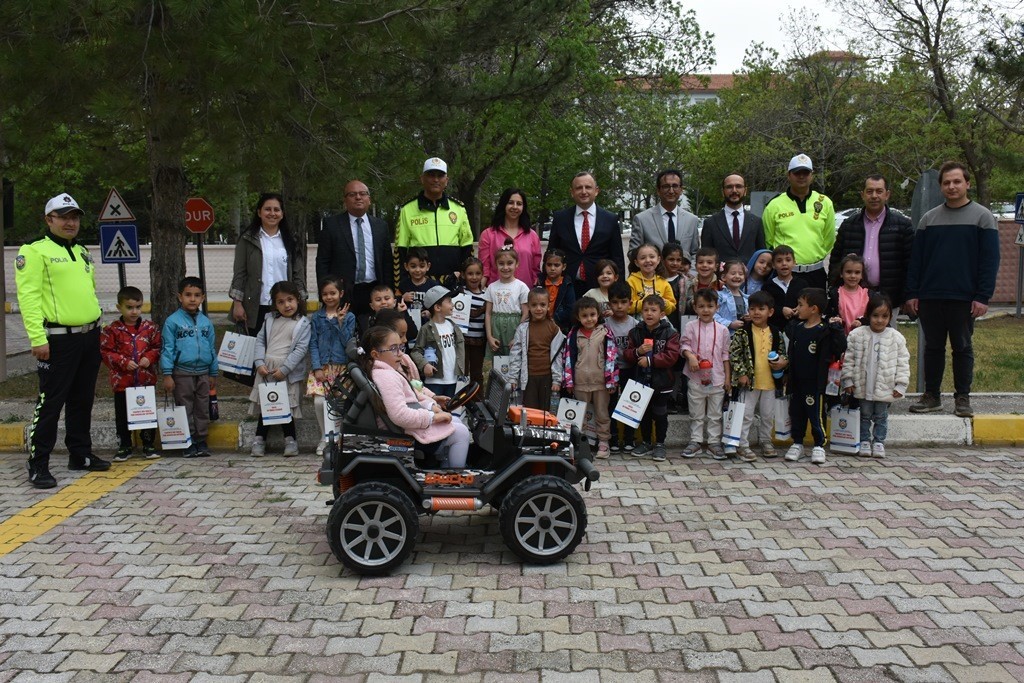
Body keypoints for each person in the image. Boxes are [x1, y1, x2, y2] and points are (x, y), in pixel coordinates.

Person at [16, 193, 109, 488]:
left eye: (75, 217)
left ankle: (79, 454)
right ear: (49, 220)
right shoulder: (34, 251)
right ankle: (38, 463)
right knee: (51, 403)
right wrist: (36, 338)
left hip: (88, 336)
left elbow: (88, 291)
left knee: (82, 400)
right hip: (57, 340)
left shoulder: (81, 251)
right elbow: (28, 297)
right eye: (64, 216)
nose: (71, 222)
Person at [904, 161, 1000, 418]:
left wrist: (982, 296)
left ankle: (962, 398)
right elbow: (917, 261)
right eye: (946, 182)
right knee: (933, 348)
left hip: (964, 298)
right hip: (931, 296)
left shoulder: (983, 217)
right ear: (941, 187)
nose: (952, 186)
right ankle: (932, 396)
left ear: (967, 184)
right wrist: (912, 292)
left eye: (957, 181)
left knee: (962, 347)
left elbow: (990, 261)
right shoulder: (928, 219)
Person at [361, 326, 471, 468]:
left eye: (400, 348)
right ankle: (457, 477)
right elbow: (400, 414)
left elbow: (409, 400)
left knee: (455, 420)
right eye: (394, 349)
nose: (400, 354)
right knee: (461, 433)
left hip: (407, 428)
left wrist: (430, 407)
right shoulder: (387, 376)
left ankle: (445, 466)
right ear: (375, 354)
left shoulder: (384, 371)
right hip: (407, 434)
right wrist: (432, 417)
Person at [828, 174, 914, 311]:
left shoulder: (902, 226)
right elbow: (836, 261)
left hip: (888, 298)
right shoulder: (849, 225)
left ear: (887, 194)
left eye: (879, 191)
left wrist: (909, 294)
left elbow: (910, 264)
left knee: (885, 333)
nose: (874, 196)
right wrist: (833, 290)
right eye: (869, 191)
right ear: (862, 195)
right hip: (852, 298)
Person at [842, 295, 910, 459]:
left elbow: (903, 363)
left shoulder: (896, 338)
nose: (879, 320)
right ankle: (864, 440)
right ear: (868, 315)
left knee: (881, 416)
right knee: (864, 415)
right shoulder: (857, 335)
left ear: (890, 317)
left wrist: (900, 385)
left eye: (884, 316)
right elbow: (849, 359)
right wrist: (848, 380)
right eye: (875, 316)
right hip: (863, 386)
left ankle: (879, 442)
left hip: (885, 387)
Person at [783, 288, 846, 466]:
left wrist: (837, 328)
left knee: (815, 413)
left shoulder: (824, 330)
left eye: (800, 305)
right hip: (797, 381)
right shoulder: (797, 328)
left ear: (814, 309)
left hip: (815, 383)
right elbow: (790, 342)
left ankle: (819, 444)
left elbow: (840, 346)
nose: (797, 308)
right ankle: (797, 443)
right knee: (796, 413)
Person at [249, 281, 311, 457]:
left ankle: (290, 440)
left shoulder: (303, 323)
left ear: (298, 299)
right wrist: (259, 362)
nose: (287, 305)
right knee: (267, 404)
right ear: (275, 304)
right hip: (266, 369)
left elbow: (300, 349)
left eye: (290, 300)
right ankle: (259, 439)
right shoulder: (269, 320)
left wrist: (285, 369)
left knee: (285, 407)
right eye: (281, 302)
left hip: (286, 373)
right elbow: (260, 341)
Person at [230, 193, 306, 336]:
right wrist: (237, 304)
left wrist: (301, 302)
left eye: (276, 210)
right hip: (255, 306)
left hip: (284, 306)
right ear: (259, 212)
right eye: (267, 209)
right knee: (255, 352)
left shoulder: (291, 240)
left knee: (281, 351)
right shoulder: (247, 240)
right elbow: (240, 273)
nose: (272, 213)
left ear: (282, 214)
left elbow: (298, 274)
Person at [101, 286, 162, 462]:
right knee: (122, 416)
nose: (134, 311)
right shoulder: (112, 330)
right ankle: (125, 445)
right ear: (119, 307)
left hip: (145, 381)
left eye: (138, 307)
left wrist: (149, 358)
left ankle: (148, 444)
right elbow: (106, 351)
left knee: (147, 414)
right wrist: (123, 362)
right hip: (123, 384)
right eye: (129, 307)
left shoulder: (150, 328)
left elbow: (157, 347)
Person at [315, 180, 393, 316]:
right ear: (345, 200)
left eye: (362, 194)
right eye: (352, 194)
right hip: (343, 292)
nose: (358, 197)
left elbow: (387, 261)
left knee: (374, 333)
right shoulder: (332, 225)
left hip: (375, 291)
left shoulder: (380, 226)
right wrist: (325, 291)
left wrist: (389, 291)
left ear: (369, 199)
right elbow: (322, 261)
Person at [161, 277, 218, 459]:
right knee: (185, 407)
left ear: (203, 298)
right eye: (188, 295)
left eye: (196, 295)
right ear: (180, 297)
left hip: (203, 373)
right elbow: (167, 349)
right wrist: (167, 374)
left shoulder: (206, 322)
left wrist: (213, 372)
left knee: (202, 407)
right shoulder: (173, 322)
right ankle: (188, 441)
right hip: (181, 373)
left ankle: (200, 439)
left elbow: (211, 347)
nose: (192, 299)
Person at [728, 291, 788, 461]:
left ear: (770, 312)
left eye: (761, 309)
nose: (756, 312)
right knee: (746, 414)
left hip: (770, 382)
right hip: (749, 382)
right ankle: (742, 444)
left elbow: (783, 354)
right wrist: (741, 373)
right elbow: (734, 354)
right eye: (752, 308)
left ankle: (765, 441)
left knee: (767, 415)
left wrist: (783, 363)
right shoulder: (743, 332)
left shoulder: (776, 333)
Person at [762, 154, 836, 290]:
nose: (801, 176)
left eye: (805, 173)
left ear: (812, 175)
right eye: (797, 173)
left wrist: (813, 255)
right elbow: (769, 240)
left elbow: (829, 239)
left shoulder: (824, 202)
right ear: (789, 175)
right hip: (786, 274)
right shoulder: (774, 205)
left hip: (816, 273)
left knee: (815, 311)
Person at [547, 172, 625, 299]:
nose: (583, 191)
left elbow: (617, 257)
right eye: (578, 188)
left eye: (588, 187)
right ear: (572, 192)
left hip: (600, 287)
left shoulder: (610, 219)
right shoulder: (560, 218)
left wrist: (619, 289)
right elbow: (552, 252)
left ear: (596, 191)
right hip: (567, 286)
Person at [394, 157, 474, 281]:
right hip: (420, 283)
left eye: (440, 176)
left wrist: (463, 277)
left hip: (452, 282)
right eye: (431, 175)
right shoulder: (407, 209)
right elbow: (400, 251)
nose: (436, 180)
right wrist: (400, 286)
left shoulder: (459, 208)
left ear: (446, 180)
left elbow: (467, 247)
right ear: (422, 179)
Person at [624, 295, 681, 462]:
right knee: (644, 413)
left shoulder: (670, 333)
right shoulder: (635, 332)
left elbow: (672, 356)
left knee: (660, 413)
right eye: (646, 310)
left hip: (662, 382)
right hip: (640, 381)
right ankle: (646, 442)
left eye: (653, 310)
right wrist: (638, 352)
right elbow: (627, 354)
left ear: (662, 313)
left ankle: (660, 444)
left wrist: (650, 360)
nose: (649, 314)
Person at [562, 298, 619, 457]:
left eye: (592, 314)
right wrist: (569, 380)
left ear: (598, 314)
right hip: (580, 382)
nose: (589, 319)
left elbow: (612, 357)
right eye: (585, 315)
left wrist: (611, 380)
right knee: (581, 414)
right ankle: (581, 443)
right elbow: (568, 358)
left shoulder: (605, 332)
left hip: (601, 382)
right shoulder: (574, 334)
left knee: (602, 413)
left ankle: (603, 443)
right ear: (578, 317)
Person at [307, 276, 356, 456]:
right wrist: (317, 367)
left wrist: (340, 322)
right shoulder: (317, 317)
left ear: (341, 294)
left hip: (341, 368)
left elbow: (347, 342)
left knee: (339, 405)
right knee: (320, 402)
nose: (329, 297)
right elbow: (312, 343)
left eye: (333, 293)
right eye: (325, 294)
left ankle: (339, 439)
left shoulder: (349, 316)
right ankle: (324, 437)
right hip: (322, 367)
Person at [680, 289, 731, 459]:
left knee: (715, 414)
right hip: (696, 377)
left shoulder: (723, 329)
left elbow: (725, 355)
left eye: (710, 306)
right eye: (701, 306)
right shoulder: (690, 326)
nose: (706, 310)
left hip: (717, 377)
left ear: (717, 307)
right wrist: (691, 357)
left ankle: (714, 442)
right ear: (695, 307)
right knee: (696, 412)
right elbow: (684, 345)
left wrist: (728, 379)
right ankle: (695, 441)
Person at [508, 288, 565, 411]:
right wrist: (513, 377)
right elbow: (516, 354)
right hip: (529, 378)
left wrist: (557, 380)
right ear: (528, 306)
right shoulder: (523, 329)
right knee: (530, 411)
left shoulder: (554, 328)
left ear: (549, 306)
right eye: (534, 305)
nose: (538, 308)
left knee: (546, 412)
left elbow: (558, 356)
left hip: (547, 377)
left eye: (542, 305)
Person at [630, 169, 701, 261]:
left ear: (681, 190)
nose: (671, 191)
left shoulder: (692, 220)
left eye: (675, 186)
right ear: (658, 190)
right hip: (653, 274)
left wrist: (691, 273)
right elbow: (633, 253)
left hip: (684, 274)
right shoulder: (641, 219)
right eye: (666, 186)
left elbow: (695, 253)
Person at [478, 188, 542, 286]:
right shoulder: (488, 235)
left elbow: (535, 269)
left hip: (525, 295)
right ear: (504, 205)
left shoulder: (532, 236)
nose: (515, 207)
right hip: (497, 295)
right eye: (511, 202)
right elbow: (484, 269)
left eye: (519, 204)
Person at [410, 286, 466, 398]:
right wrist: (424, 364)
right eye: (449, 302)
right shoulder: (426, 329)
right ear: (437, 307)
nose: (453, 305)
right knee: (435, 410)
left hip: (453, 379)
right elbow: (416, 351)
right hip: (435, 381)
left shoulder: (453, 326)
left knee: (449, 409)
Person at [701, 173, 767, 264]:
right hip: (721, 276)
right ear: (723, 191)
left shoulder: (756, 222)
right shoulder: (710, 223)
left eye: (738, 186)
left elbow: (762, 255)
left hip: (749, 276)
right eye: (729, 187)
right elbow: (706, 257)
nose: (734, 190)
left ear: (745, 190)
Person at [605, 282, 638, 453]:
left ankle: (629, 438)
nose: (619, 306)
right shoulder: (605, 324)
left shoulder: (635, 324)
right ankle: (614, 438)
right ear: (609, 303)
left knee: (629, 403)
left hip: (630, 369)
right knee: (610, 404)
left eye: (623, 302)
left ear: (630, 303)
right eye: (615, 302)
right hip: (610, 371)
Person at [484, 245, 530, 356]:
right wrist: (489, 336)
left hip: (514, 328)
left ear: (517, 264)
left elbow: (526, 313)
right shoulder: (491, 287)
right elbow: (488, 313)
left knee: (513, 361)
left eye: (509, 263)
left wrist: (517, 337)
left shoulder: (521, 287)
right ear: (496, 265)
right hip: (496, 329)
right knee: (496, 364)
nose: (505, 267)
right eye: (501, 264)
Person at [762, 246, 808, 331]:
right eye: (779, 261)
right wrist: (781, 310)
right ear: (773, 265)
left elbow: (807, 304)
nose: (784, 263)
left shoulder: (802, 284)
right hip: (775, 329)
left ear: (794, 262)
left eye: (788, 260)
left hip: (797, 328)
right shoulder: (768, 286)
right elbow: (765, 306)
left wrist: (799, 309)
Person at [457, 256, 487, 385]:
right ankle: (462, 400)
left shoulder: (486, 295)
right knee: (462, 371)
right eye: (470, 273)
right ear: (463, 275)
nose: (474, 277)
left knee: (477, 372)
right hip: (462, 340)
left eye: (477, 273)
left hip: (479, 340)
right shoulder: (460, 293)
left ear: (482, 275)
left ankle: (478, 400)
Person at [626, 243, 676, 318]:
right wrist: (645, 302)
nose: (648, 260)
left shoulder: (663, 282)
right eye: (643, 258)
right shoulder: (631, 281)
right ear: (636, 263)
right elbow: (627, 306)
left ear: (658, 260)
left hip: (660, 321)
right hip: (637, 321)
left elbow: (672, 307)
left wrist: (664, 303)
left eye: (652, 257)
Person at [826, 254, 869, 334]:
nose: (853, 276)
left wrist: (861, 322)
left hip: (862, 339)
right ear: (841, 274)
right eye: (849, 272)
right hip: (840, 339)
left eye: (857, 272)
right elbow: (826, 316)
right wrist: (836, 320)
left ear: (862, 275)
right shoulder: (833, 294)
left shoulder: (868, 294)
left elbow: (873, 317)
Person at [398, 247, 440, 326]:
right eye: (413, 266)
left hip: (429, 326)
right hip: (409, 326)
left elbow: (440, 305)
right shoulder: (403, 285)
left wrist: (431, 313)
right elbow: (395, 303)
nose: (417, 270)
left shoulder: (434, 286)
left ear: (428, 266)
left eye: (421, 266)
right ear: (406, 266)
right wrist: (403, 298)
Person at [539, 249, 576, 333]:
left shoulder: (567, 284)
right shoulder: (540, 283)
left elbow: (570, 308)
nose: (552, 268)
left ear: (564, 266)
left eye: (556, 265)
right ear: (544, 265)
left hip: (561, 327)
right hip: (540, 323)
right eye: (549, 265)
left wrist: (554, 319)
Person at [682, 247, 722, 314]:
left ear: (716, 267)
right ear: (695, 266)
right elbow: (682, 306)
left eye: (709, 262)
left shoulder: (721, 286)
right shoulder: (688, 284)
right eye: (700, 262)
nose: (704, 265)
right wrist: (693, 302)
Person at [715, 260, 750, 334]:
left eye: (740, 274)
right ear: (724, 277)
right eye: (733, 273)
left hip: (742, 338)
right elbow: (713, 315)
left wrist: (749, 317)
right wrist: (730, 324)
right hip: (723, 336)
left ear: (744, 278)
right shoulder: (719, 296)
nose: (737, 276)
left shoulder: (747, 299)